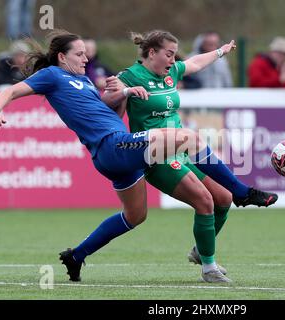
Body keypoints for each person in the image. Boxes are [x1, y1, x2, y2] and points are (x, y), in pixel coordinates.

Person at [0, 30, 278, 284]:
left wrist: (122, 93)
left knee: (135, 216)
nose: (86, 58)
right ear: (62, 57)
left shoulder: (86, 82)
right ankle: (241, 192)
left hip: (112, 154)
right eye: (79, 54)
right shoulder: (52, 75)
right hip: (116, 146)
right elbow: (11, 91)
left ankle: (76, 255)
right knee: (190, 139)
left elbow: (109, 112)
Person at [106, 30, 234, 280]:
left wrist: (220, 52)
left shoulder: (170, 73)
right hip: (155, 155)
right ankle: (209, 268)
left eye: (175, 55)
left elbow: (195, 63)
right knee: (204, 201)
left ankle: (201, 251)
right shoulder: (129, 76)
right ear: (152, 52)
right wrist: (121, 91)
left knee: (224, 198)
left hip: (181, 151)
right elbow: (108, 99)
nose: (173, 61)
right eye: (169, 54)